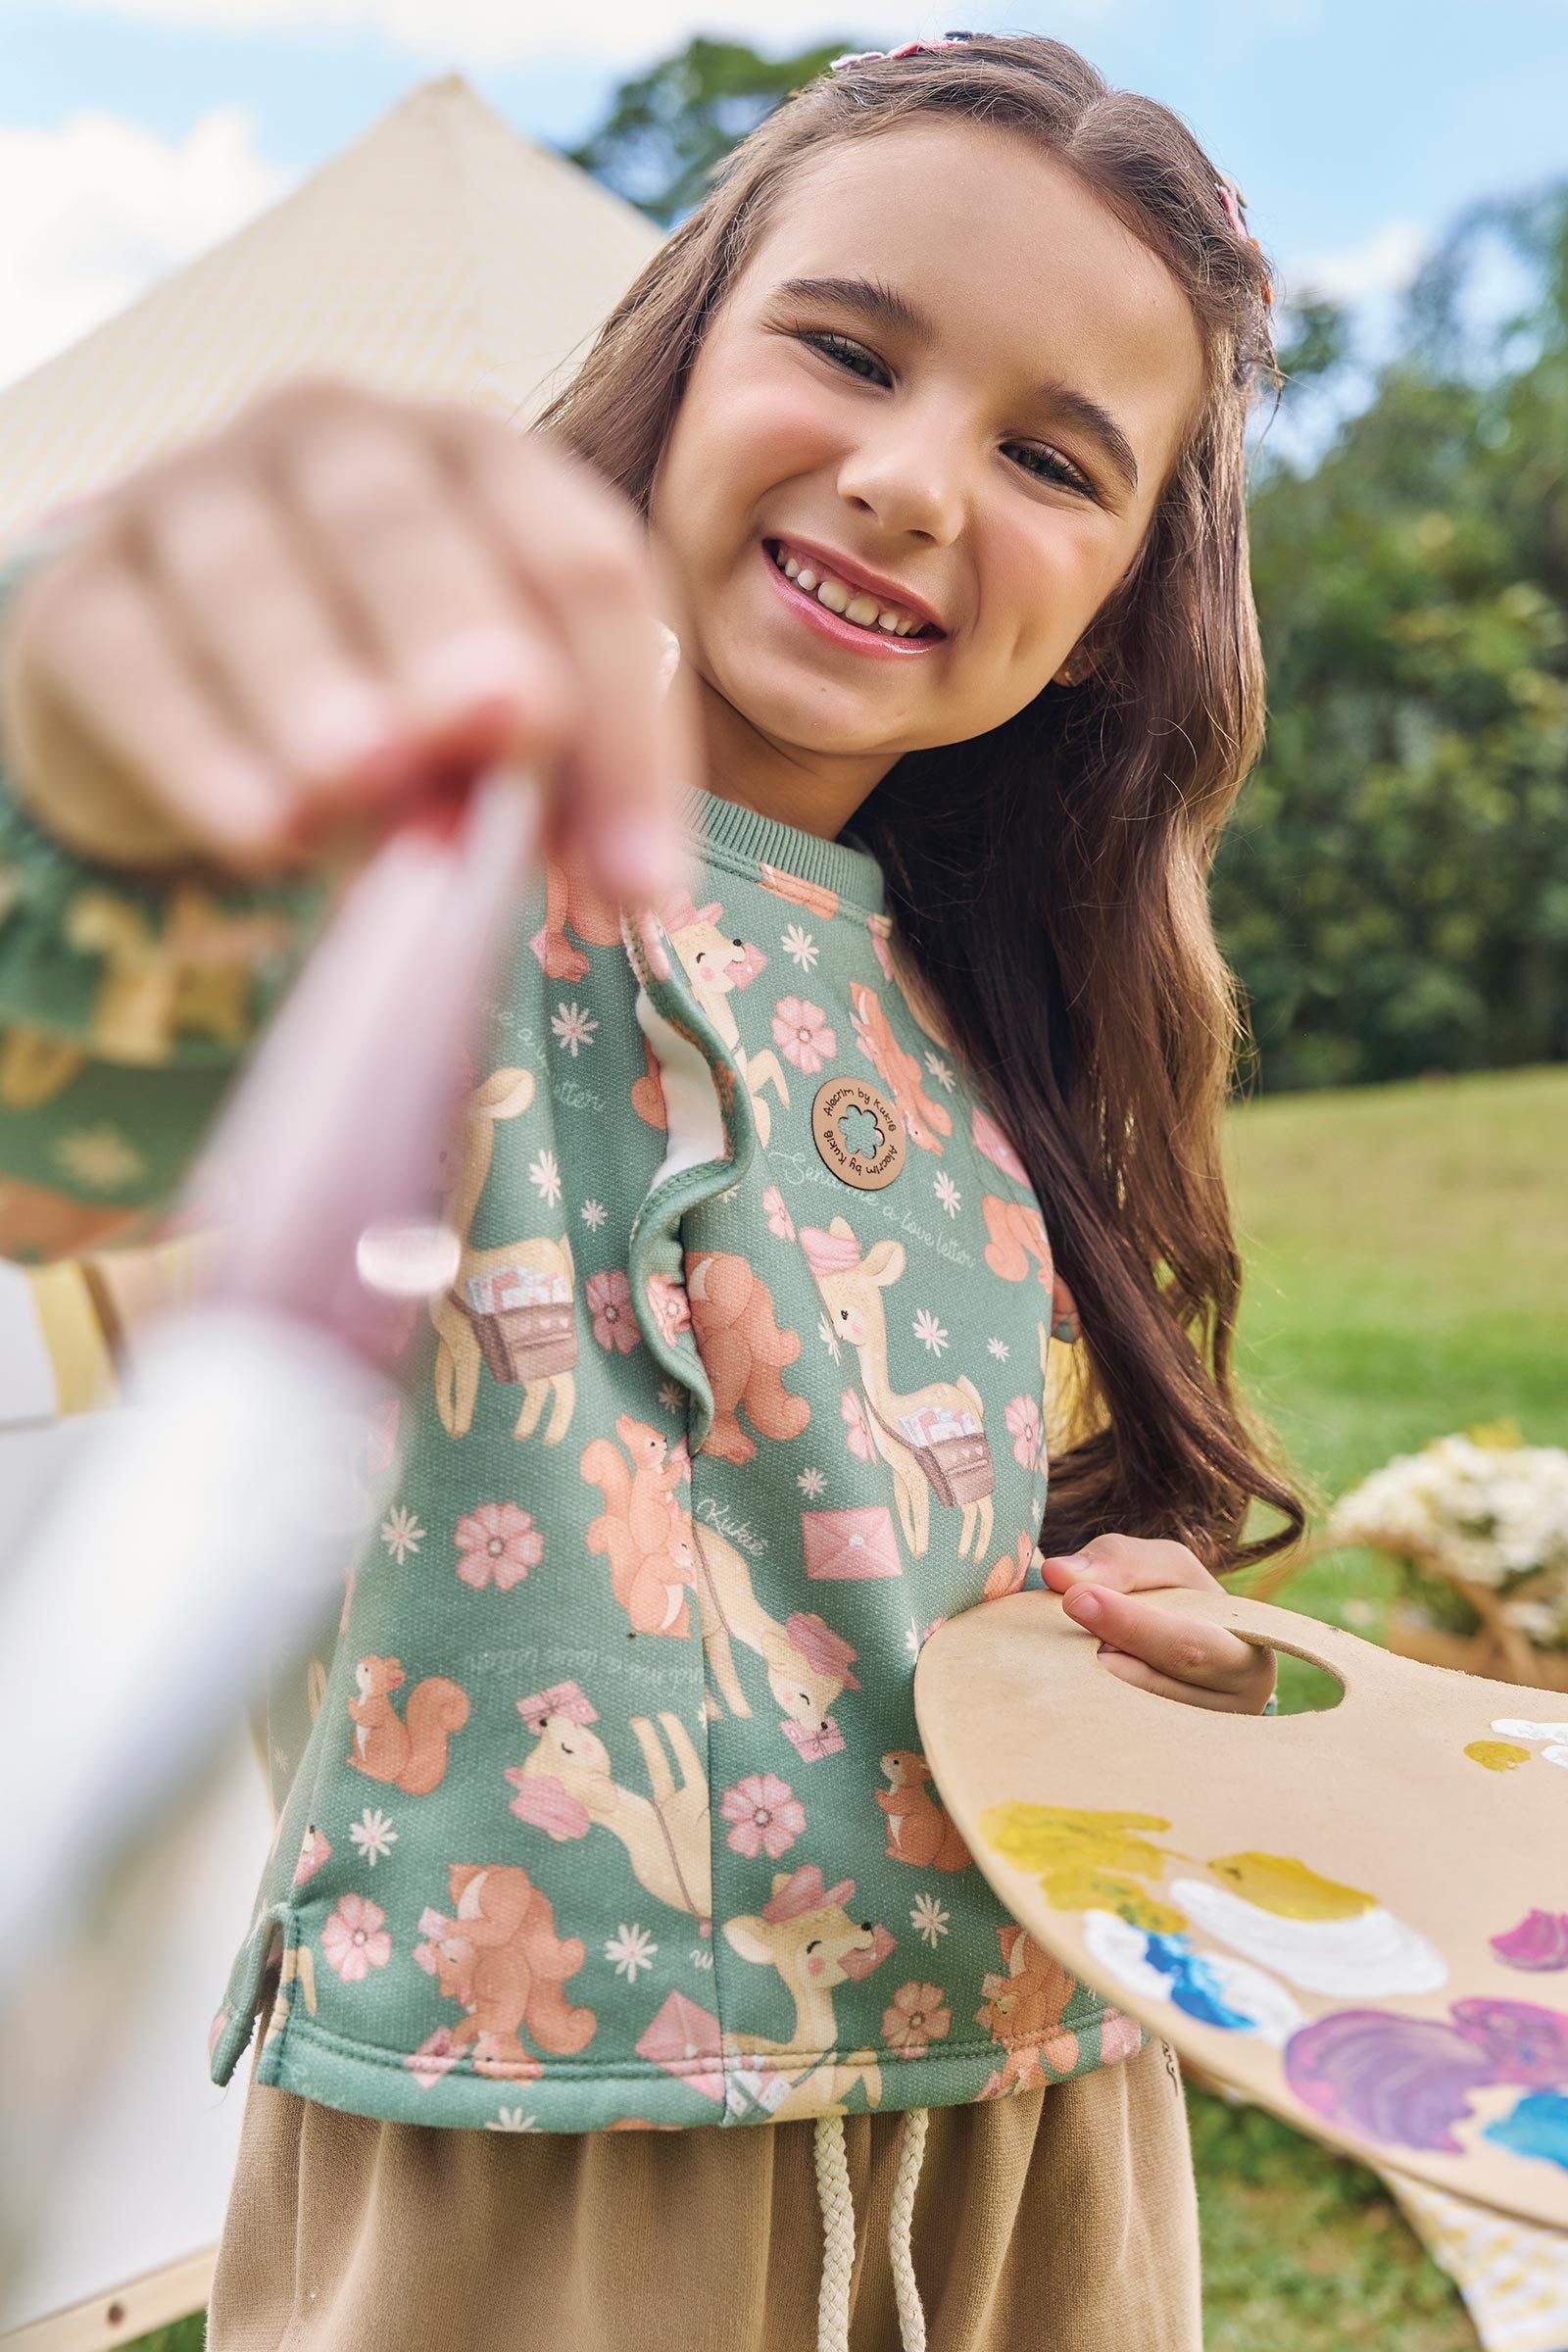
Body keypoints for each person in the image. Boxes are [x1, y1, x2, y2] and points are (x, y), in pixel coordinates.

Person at [0, 32, 1305, 2351]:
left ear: (1106, 610)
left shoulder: (995, 1009)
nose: (910, 481)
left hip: (1032, 2127)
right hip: (538, 2162)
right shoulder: (417, 854)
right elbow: (53, 1129)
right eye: (845, 345)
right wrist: (83, 775)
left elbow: (913, 1531)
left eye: (1045, 457)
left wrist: (1089, 1640)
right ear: (682, 347)